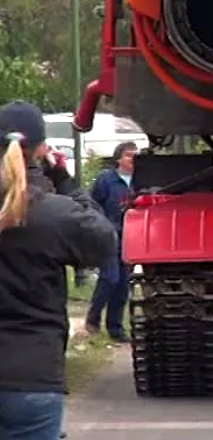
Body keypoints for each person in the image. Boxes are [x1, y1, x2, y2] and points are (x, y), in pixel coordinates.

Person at [0, 101, 119, 440]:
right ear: (41, 148)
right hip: (32, 374)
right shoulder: (54, 213)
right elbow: (104, 242)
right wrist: (65, 181)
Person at [84, 142, 137, 343]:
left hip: (130, 237)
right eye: (128, 156)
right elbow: (93, 204)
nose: (132, 160)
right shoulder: (107, 180)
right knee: (110, 277)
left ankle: (115, 327)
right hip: (109, 235)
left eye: (135, 156)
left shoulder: (139, 181)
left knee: (123, 284)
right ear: (119, 159)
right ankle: (93, 319)